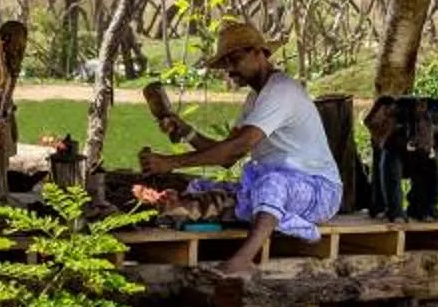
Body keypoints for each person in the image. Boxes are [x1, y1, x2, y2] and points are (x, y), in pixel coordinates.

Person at [137, 19, 344, 268]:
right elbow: (227, 156)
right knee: (199, 187)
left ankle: (242, 261)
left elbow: (238, 147)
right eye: (225, 65)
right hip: (279, 185)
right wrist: (184, 130)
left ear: (259, 53)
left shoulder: (282, 91)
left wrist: (170, 162)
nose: (230, 71)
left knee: (271, 184)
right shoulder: (254, 98)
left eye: (234, 61)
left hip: (321, 191)